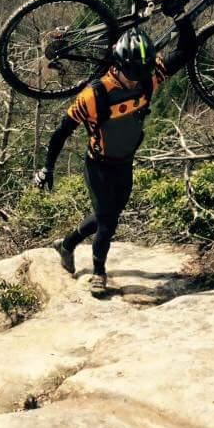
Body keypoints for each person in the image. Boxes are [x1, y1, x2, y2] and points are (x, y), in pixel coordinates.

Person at [33, 17, 197, 296]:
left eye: (140, 73)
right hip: (98, 166)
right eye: (131, 73)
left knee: (106, 216)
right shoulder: (94, 96)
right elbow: (62, 132)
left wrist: (180, 17)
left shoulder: (147, 78)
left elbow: (186, 50)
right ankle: (99, 273)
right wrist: (47, 168)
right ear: (117, 65)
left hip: (124, 164)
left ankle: (67, 244)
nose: (135, 79)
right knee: (108, 222)